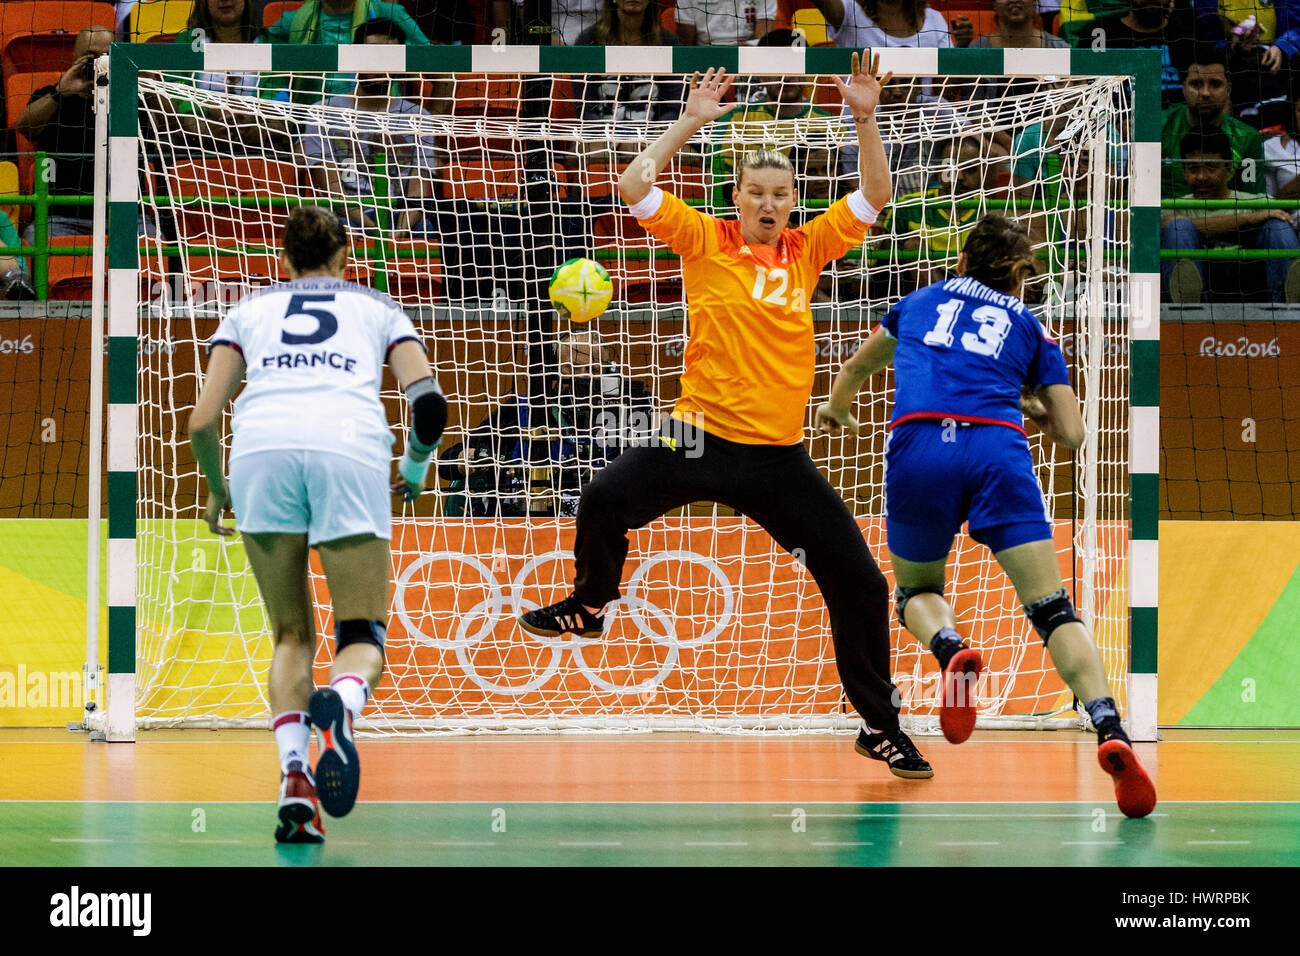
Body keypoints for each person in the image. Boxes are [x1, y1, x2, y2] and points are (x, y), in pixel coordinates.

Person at [518, 55, 937, 779]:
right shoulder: (706, 240)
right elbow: (633, 185)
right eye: (755, 193)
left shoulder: (808, 250)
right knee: (602, 498)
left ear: (794, 200)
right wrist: (690, 121)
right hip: (695, 431)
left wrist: (865, 117)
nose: (768, 205)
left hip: (778, 453)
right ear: (736, 198)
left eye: (780, 194)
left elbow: (874, 192)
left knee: (862, 585)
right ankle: (591, 604)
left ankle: (881, 727)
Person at [815, 214, 1158, 819]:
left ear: (964, 263)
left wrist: (839, 409)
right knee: (1052, 609)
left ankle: (949, 650)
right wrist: (1032, 405)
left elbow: (854, 371)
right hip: (997, 451)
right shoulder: (1031, 327)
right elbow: (1075, 435)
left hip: (919, 447)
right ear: (1019, 280)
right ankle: (1110, 728)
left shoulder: (917, 302)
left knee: (917, 589)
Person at [189, 205, 447, 842]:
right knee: (361, 632)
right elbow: (430, 403)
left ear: (284, 260)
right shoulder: (377, 308)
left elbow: (200, 420)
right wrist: (414, 469)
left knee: (289, 637)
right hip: (348, 446)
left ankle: (294, 784)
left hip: (261, 452)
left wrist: (219, 490)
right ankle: (344, 709)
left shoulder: (247, 311)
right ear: (344, 259)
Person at [301, 19, 441, 239]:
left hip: (402, 217)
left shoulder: (419, 116)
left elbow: (418, 192)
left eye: (388, 57)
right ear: (355, 57)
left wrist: (398, 232)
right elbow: (333, 191)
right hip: (347, 217)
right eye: (372, 55)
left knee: (438, 234)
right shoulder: (322, 112)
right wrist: (375, 232)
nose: (378, 65)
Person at [1162, 128, 1300, 300]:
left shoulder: (1257, 201)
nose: (1202, 177)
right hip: (1200, 293)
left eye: (1211, 167)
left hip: (1252, 286)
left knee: (1277, 225)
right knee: (1177, 227)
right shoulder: (1172, 207)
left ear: (1229, 167)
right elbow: (1166, 228)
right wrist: (1246, 219)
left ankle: (1291, 304)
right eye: (1193, 168)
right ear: (1183, 171)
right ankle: (1184, 307)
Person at [14, 26, 115, 244]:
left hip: (121, 215)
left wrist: (145, 82)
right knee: (35, 240)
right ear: (75, 58)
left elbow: (169, 124)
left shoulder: (129, 96)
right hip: (59, 218)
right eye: (90, 56)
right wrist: (60, 92)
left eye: (105, 56)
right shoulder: (52, 95)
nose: (98, 63)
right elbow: (24, 127)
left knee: (155, 241)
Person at [264, 0, 432, 103]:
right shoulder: (291, 22)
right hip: (309, 128)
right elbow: (263, 79)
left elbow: (443, 74)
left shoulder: (390, 15)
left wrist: (430, 132)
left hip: (377, 124)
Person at [575, 0, 683, 158]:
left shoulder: (668, 42)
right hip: (599, 131)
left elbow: (673, 108)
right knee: (587, 155)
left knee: (689, 157)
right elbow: (585, 108)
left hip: (652, 132)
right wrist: (615, 139)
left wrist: (653, 136)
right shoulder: (589, 40)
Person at [1162, 52, 1266, 196]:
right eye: (1196, 84)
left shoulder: (1248, 138)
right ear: (1184, 89)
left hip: (1229, 217)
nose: (1205, 93)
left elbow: (1251, 200)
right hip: (1165, 216)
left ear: (1228, 90)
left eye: (1215, 84)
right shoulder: (1156, 127)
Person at [809, 0, 956, 49]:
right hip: (859, 118)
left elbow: (946, 92)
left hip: (919, 118)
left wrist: (961, 47)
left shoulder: (934, 19)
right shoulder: (849, 11)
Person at [674, 0, 776, 46]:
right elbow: (686, 44)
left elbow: (762, 41)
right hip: (704, 55)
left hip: (748, 54)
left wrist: (745, 47)